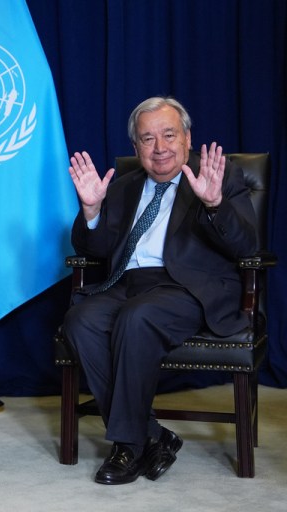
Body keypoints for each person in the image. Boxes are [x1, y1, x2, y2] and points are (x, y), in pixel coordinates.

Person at [63, 96, 257, 485]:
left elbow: (247, 246)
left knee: (139, 317)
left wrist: (215, 204)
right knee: (80, 319)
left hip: (187, 288)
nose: (160, 147)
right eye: (147, 139)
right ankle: (154, 435)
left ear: (187, 138)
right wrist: (91, 212)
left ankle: (128, 446)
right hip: (127, 285)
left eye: (169, 135)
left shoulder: (220, 177)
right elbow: (94, 250)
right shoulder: (123, 187)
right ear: (136, 148)